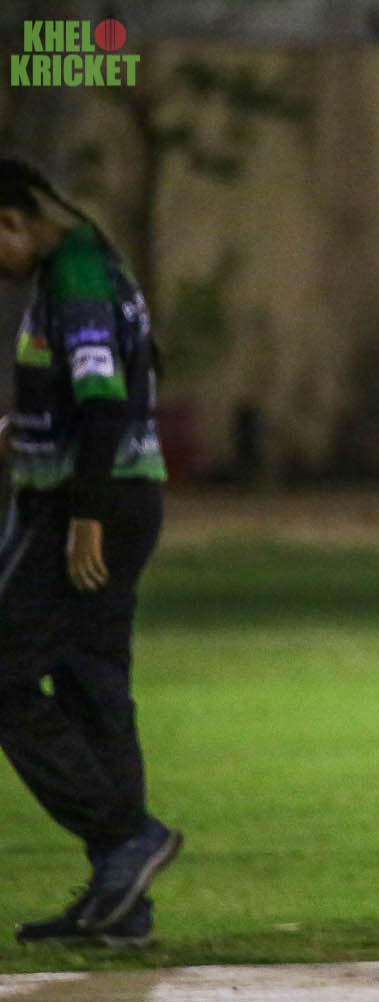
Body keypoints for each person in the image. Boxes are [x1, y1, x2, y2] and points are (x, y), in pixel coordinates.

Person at [0, 159, 181, 947]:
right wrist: (22, 433)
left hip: (84, 507)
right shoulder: (85, 265)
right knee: (91, 682)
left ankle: (124, 838)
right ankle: (121, 903)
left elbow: (105, 406)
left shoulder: (75, 278)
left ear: (11, 220)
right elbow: (96, 397)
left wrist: (85, 519)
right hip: (118, 497)